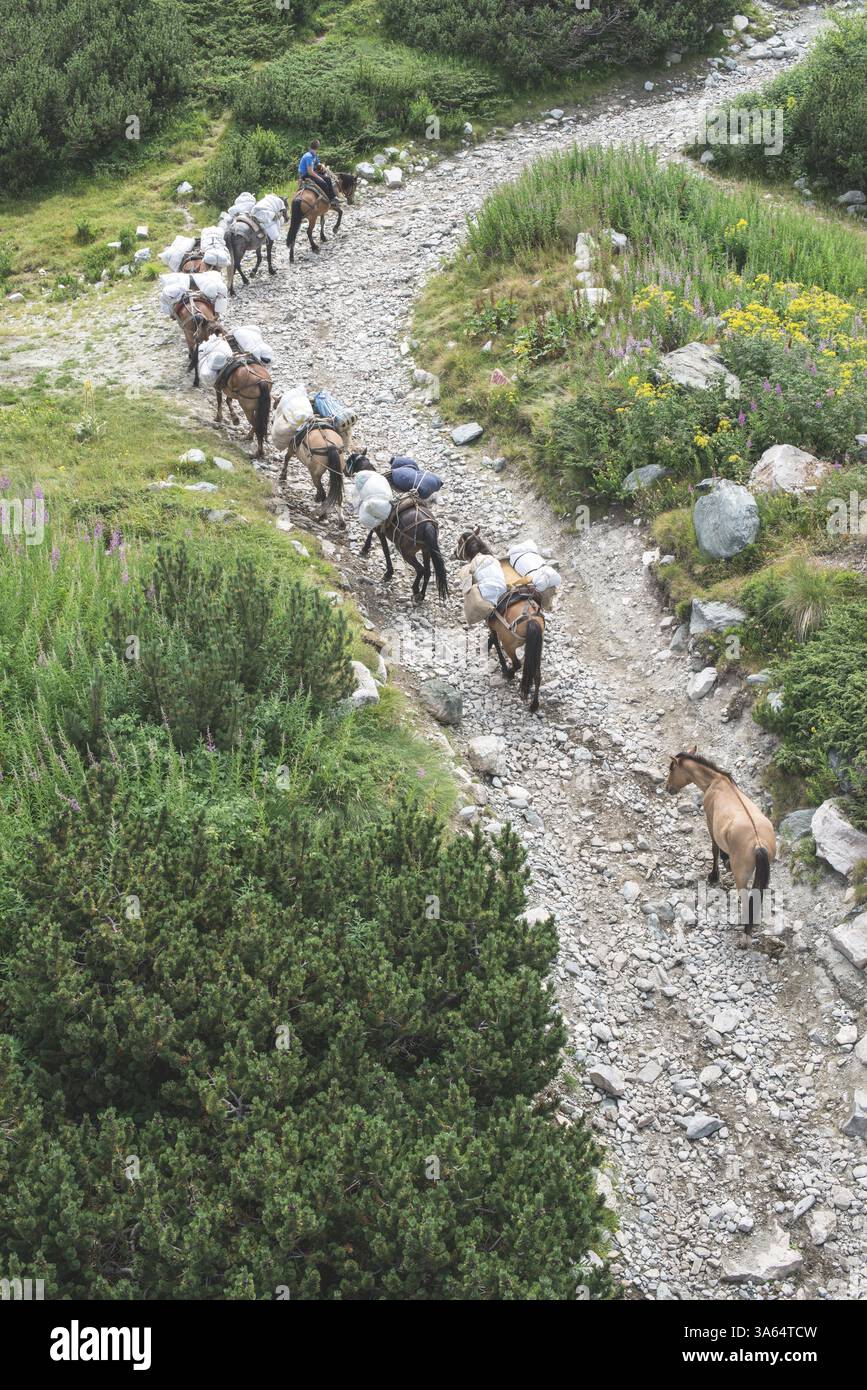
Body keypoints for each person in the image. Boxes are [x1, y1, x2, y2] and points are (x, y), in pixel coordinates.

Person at [298, 140, 336, 205]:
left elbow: (317, 163)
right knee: (324, 183)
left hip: (311, 172)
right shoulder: (308, 156)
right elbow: (310, 172)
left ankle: (332, 198)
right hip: (305, 174)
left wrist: (322, 165)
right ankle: (329, 200)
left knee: (327, 179)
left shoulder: (314, 155)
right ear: (317, 147)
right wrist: (319, 178)